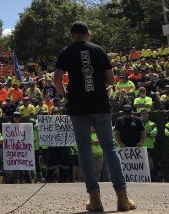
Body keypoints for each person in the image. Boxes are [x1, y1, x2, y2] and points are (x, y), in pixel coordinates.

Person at [53, 21, 136, 212]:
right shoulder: (99, 50)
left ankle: (95, 200)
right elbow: (111, 80)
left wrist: (65, 95)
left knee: (84, 150)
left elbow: (57, 79)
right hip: (100, 104)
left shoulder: (66, 51)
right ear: (88, 34)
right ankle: (122, 198)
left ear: (71, 35)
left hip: (78, 107)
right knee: (109, 147)